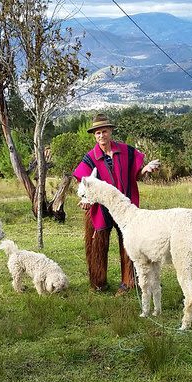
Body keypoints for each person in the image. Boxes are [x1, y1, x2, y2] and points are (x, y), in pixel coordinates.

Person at [73, 113, 160, 295]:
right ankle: (98, 283)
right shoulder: (90, 158)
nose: (101, 136)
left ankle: (129, 282)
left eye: (104, 131)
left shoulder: (126, 151)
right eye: (97, 133)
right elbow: (83, 181)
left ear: (110, 131)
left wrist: (144, 169)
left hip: (124, 207)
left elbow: (135, 173)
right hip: (100, 209)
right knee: (97, 245)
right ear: (94, 135)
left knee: (129, 243)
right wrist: (84, 200)